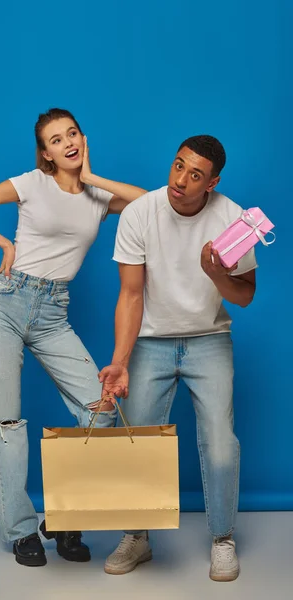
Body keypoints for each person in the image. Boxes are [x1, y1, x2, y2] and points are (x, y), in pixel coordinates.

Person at [0, 108, 147, 567]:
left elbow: (149, 200)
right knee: (8, 424)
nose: (67, 143)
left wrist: (93, 176)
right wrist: (5, 245)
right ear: (46, 154)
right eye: (56, 140)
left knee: (100, 409)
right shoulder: (30, 184)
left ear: (83, 138)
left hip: (54, 312)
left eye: (72, 134)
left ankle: (64, 518)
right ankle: (21, 531)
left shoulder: (97, 196)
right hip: (8, 304)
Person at [99, 135, 257, 582]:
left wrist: (216, 275)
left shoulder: (232, 218)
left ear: (212, 183)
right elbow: (130, 295)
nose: (181, 180)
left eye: (195, 175)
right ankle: (137, 536)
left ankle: (222, 538)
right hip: (151, 341)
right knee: (137, 441)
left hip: (210, 339)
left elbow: (244, 295)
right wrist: (120, 360)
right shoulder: (139, 213)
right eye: (178, 166)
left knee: (221, 444)